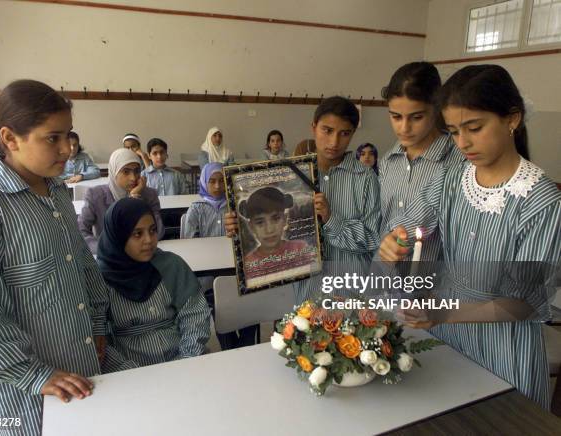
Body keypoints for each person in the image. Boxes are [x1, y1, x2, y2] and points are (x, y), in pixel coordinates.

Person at [378, 65, 560, 410]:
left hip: (503, 353)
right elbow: (417, 217)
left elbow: (524, 304)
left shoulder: (540, 202)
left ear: (512, 119)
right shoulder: (454, 176)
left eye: (474, 128)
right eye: (454, 131)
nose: (463, 143)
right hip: (448, 343)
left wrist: (443, 313)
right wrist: (395, 239)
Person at [0, 80, 109, 435]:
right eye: (52, 138)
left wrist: (97, 324)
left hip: (80, 371)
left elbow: (83, 265)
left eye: (68, 135)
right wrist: (35, 374)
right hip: (25, 393)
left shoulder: (56, 190)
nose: (67, 149)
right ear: (10, 138)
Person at [227, 97, 381, 303]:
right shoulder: (288, 176)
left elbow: (373, 239)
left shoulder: (366, 178)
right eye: (327, 130)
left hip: (352, 293)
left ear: (353, 133)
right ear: (314, 127)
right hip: (308, 295)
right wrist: (237, 227)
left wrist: (331, 219)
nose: (334, 142)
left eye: (344, 133)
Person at [97, 198, 210, 366]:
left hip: (183, 358)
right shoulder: (99, 279)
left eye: (152, 230)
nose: (149, 240)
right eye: (137, 234)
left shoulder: (171, 265)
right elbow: (101, 339)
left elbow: (195, 315)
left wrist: (186, 360)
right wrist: (129, 372)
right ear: (118, 236)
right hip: (130, 372)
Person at [378, 62, 464, 261]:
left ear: (436, 109)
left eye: (416, 117)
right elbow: (382, 224)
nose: (404, 128)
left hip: (432, 284)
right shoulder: (388, 162)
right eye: (396, 117)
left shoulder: (457, 160)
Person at [183, 162, 258, 348]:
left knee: (251, 314)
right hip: (210, 280)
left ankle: (246, 349)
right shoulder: (196, 209)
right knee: (222, 317)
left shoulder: (238, 205)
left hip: (238, 273)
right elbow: (189, 246)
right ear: (204, 182)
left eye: (222, 181)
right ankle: (230, 349)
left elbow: (252, 238)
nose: (218, 186)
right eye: (212, 181)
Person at [78, 148, 164, 254]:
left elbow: (158, 232)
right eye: (126, 172)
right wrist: (106, 248)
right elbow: (80, 232)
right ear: (114, 172)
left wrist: (135, 200)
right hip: (109, 257)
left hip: (141, 255)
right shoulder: (95, 195)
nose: (133, 178)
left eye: (137, 171)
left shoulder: (149, 195)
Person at [240, 187, 313, 280]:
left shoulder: (300, 249)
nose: (269, 230)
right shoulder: (249, 263)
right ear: (251, 227)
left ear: (285, 219)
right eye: (260, 222)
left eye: (276, 218)